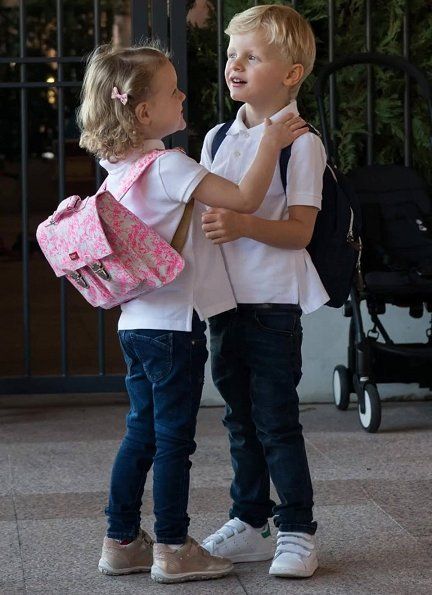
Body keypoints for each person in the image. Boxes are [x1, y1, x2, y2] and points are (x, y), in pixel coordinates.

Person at [76, 43, 307, 585]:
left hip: (133, 325)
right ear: (142, 112)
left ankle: (121, 541)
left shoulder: (117, 169)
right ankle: (174, 547)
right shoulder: (169, 166)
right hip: (174, 331)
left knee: (140, 435)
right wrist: (270, 139)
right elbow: (247, 198)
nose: (184, 95)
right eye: (173, 89)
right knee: (174, 441)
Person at [200, 4, 329, 578]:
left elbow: (301, 230)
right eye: (232, 54)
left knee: (276, 419)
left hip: (273, 302)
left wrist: (245, 224)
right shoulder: (216, 136)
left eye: (252, 56)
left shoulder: (302, 143)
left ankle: (297, 529)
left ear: (292, 73)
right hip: (223, 301)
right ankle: (250, 522)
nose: (235, 64)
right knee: (239, 418)